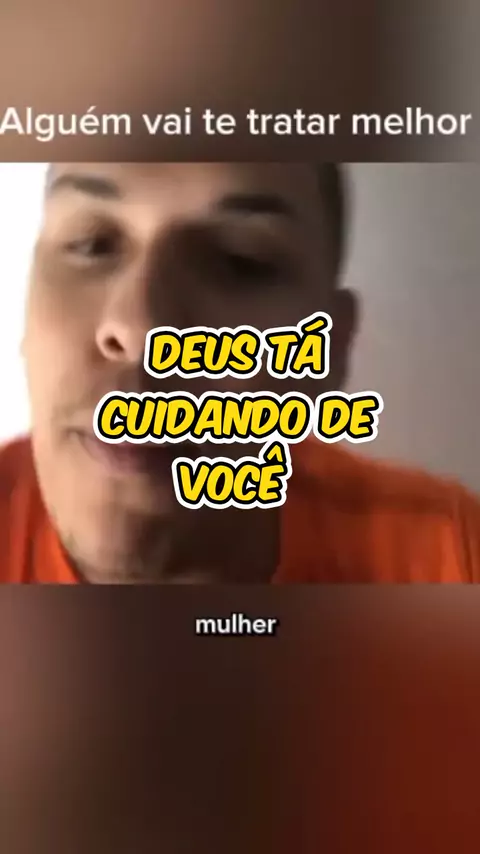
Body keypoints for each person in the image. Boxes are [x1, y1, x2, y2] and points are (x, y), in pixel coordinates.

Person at [1, 162, 479, 583]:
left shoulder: (451, 556)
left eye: (240, 260)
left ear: (329, 349)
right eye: (92, 244)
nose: (143, 330)